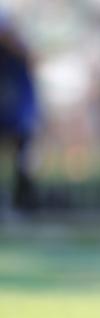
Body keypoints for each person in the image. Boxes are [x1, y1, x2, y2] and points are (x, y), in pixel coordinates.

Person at [0, 10, 39, 213]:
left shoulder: (17, 52)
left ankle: (23, 206)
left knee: (23, 163)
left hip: (18, 116)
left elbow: (31, 56)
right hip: (7, 115)